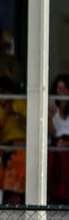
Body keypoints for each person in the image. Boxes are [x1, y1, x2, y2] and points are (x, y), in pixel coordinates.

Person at [0, 75, 27, 204]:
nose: (0, 96)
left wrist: (15, 114)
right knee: (12, 155)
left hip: (24, 144)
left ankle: (15, 194)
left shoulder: (20, 103)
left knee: (21, 154)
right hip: (4, 146)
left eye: (3, 92)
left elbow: (32, 127)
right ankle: (15, 195)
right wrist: (3, 120)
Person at [47, 73, 69, 205]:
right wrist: (49, 116)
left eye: (64, 88)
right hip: (56, 142)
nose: (61, 91)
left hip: (68, 143)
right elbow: (52, 132)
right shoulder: (51, 105)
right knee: (52, 156)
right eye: (58, 88)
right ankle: (55, 196)